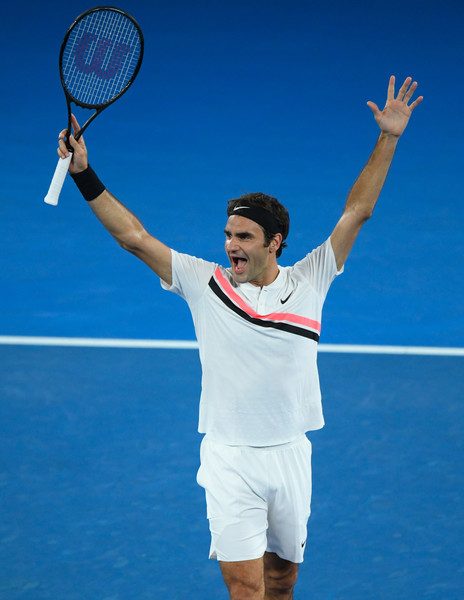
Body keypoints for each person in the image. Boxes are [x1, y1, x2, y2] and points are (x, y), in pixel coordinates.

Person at [57, 75, 422, 600]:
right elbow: (132, 237)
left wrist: (388, 136)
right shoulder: (204, 284)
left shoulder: (310, 279)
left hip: (291, 455)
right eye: (228, 235)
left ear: (275, 243)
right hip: (229, 457)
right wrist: (85, 174)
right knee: (244, 587)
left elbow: (357, 212)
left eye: (243, 236)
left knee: (281, 580)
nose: (231, 245)